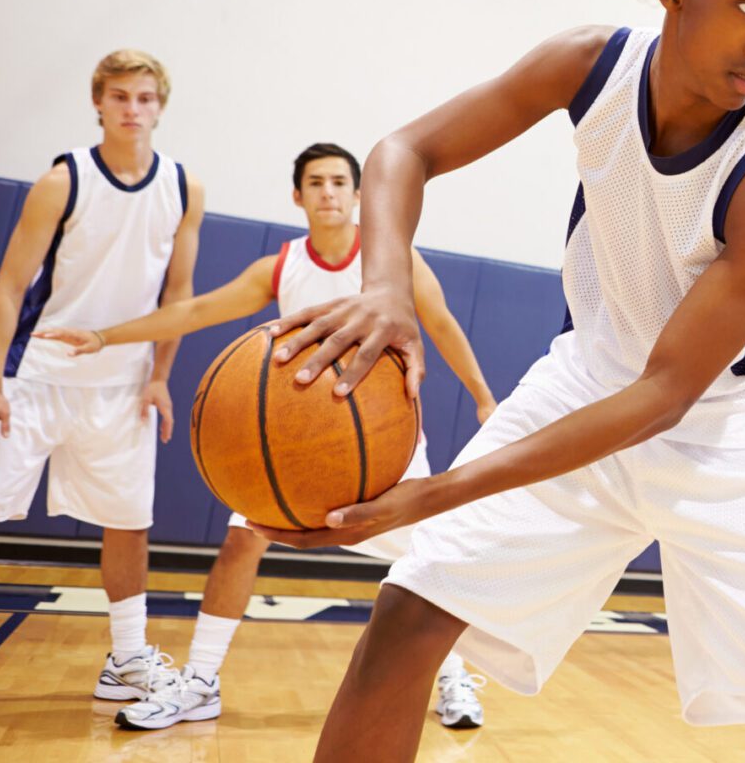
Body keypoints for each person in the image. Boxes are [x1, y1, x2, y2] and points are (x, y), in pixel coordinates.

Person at [250, 0, 745, 762]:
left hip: (718, 433)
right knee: (401, 628)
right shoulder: (590, 65)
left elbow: (663, 396)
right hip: (585, 377)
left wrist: (439, 492)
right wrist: (386, 286)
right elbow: (403, 151)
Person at [37, 142, 500, 731]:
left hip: (379, 440)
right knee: (242, 541)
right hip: (291, 443)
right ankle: (201, 680)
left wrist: (483, 395)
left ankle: (452, 674)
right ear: (297, 196)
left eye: (338, 182)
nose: (328, 192)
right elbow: (196, 311)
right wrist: (106, 337)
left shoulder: (393, 258)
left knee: (424, 559)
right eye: (316, 183)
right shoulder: (280, 266)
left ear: (357, 194)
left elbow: (441, 324)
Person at [0, 50, 205, 703]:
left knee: (128, 522)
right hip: (38, 375)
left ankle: (127, 659)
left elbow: (181, 291)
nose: (132, 109)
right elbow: (7, 287)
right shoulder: (64, 179)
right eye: (119, 97)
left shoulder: (185, 187)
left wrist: (161, 375)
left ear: (160, 106)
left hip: (124, 384)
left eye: (143, 97)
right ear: (98, 103)